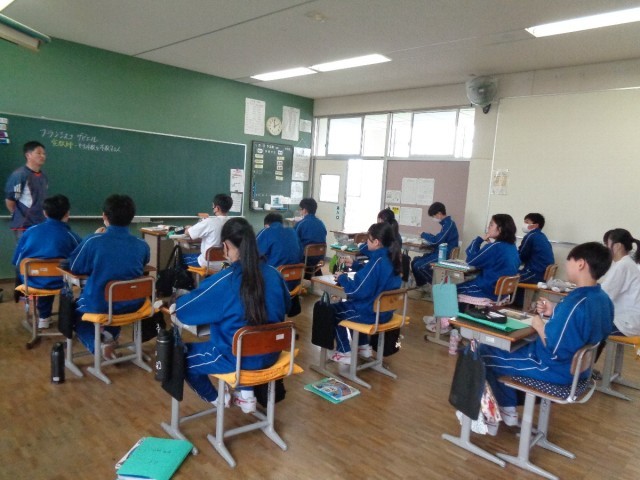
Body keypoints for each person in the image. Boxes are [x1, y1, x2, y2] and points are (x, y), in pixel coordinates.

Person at [481, 242, 614, 427]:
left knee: (482, 352)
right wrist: (555, 311)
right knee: (510, 347)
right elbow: (587, 328)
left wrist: (539, 325)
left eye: (569, 260)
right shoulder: (603, 299)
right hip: (581, 371)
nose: (566, 265)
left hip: (554, 369)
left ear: (581, 264)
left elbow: (555, 350)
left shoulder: (575, 302)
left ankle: (499, 409)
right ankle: (506, 407)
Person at [172, 217, 291, 413]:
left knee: (181, 358)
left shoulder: (226, 280)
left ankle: (220, 399)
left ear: (226, 246)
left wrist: (175, 302)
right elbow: (287, 305)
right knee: (243, 334)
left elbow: (184, 311)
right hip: (271, 354)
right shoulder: (274, 274)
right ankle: (246, 395)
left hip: (236, 358)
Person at [68, 194, 150, 359]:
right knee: (116, 300)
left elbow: (75, 266)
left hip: (102, 303)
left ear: (104, 216)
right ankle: (109, 336)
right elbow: (144, 263)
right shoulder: (142, 244)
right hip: (134, 304)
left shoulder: (93, 241)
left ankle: (97, 345)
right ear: (132, 217)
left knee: (73, 312)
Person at [329, 222, 402, 365]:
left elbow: (357, 290)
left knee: (332, 311)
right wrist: (356, 265)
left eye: (368, 239)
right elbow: (373, 276)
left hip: (370, 313)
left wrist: (342, 278)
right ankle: (363, 346)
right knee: (352, 306)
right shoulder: (391, 258)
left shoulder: (377, 261)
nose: (365, 242)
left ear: (376, 242)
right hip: (385, 312)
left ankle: (344, 351)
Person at [12, 194, 81, 329]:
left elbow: (17, 261)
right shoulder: (71, 236)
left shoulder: (30, 232)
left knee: (41, 273)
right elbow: (81, 260)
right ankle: (71, 317)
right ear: (67, 213)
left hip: (31, 281)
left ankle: (43, 317)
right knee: (60, 274)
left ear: (44, 213)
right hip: (62, 283)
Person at [596, 229, 640, 358]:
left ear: (617, 246)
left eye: (607, 244)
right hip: (629, 320)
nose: (606, 248)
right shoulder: (626, 263)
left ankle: (584, 366)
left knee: (588, 327)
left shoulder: (623, 266)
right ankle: (586, 364)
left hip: (627, 323)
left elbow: (604, 296)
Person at [457, 213, 520, 302]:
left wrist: (478, 240)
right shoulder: (512, 247)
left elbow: (470, 260)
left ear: (500, 229)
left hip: (487, 291)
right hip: (502, 293)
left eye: (491, 225)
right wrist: (489, 245)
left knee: (449, 288)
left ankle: (453, 311)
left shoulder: (495, 246)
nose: (488, 227)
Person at [5, 141, 49, 240]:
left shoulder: (43, 176)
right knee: (26, 250)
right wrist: (19, 215)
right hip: (25, 225)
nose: (42, 156)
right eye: (38, 153)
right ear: (28, 155)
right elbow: (10, 201)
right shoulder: (20, 175)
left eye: (44, 153)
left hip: (41, 223)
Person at [411, 202, 459, 289]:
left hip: (444, 254)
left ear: (439, 214)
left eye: (433, 216)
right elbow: (440, 239)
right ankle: (422, 285)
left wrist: (423, 234)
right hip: (439, 252)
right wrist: (428, 240)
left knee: (419, 266)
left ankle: (438, 287)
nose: (433, 218)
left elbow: (437, 241)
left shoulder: (449, 224)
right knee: (414, 261)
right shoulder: (445, 224)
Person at [183, 193, 233, 269]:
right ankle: (212, 276)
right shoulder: (234, 223)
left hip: (208, 263)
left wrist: (188, 228)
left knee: (180, 258)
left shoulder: (210, 222)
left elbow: (188, 232)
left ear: (217, 208)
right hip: (226, 264)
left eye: (213, 206)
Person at [294, 197, 327, 277]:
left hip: (305, 258)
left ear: (304, 210)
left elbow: (293, 241)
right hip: (319, 258)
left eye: (301, 209)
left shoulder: (300, 224)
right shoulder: (321, 223)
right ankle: (314, 274)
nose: (300, 211)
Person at [518, 213, 555, 284]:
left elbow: (521, 256)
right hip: (542, 274)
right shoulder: (542, 236)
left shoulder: (531, 236)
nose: (524, 224)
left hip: (534, 274)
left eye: (527, 222)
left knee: (506, 276)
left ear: (536, 225)